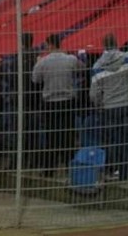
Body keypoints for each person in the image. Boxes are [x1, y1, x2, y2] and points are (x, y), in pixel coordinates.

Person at [90, 34, 128, 181]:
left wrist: (99, 104)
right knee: (127, 140)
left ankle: (113, 170)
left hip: (109, 107)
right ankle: (125, 173)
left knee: (112, 140)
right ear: (117, 43)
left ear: (104, 45)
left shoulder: (98, 66)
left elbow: (94, 94)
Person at [31, 34, 83, 175]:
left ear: (50, 45)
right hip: (67, 102)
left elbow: (35, 79)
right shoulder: (70, 59)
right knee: (68, 135)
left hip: (50, 103)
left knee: (51, 136)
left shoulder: (43, 61)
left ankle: (49, 169)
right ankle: (70, 167)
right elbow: (81, 69)